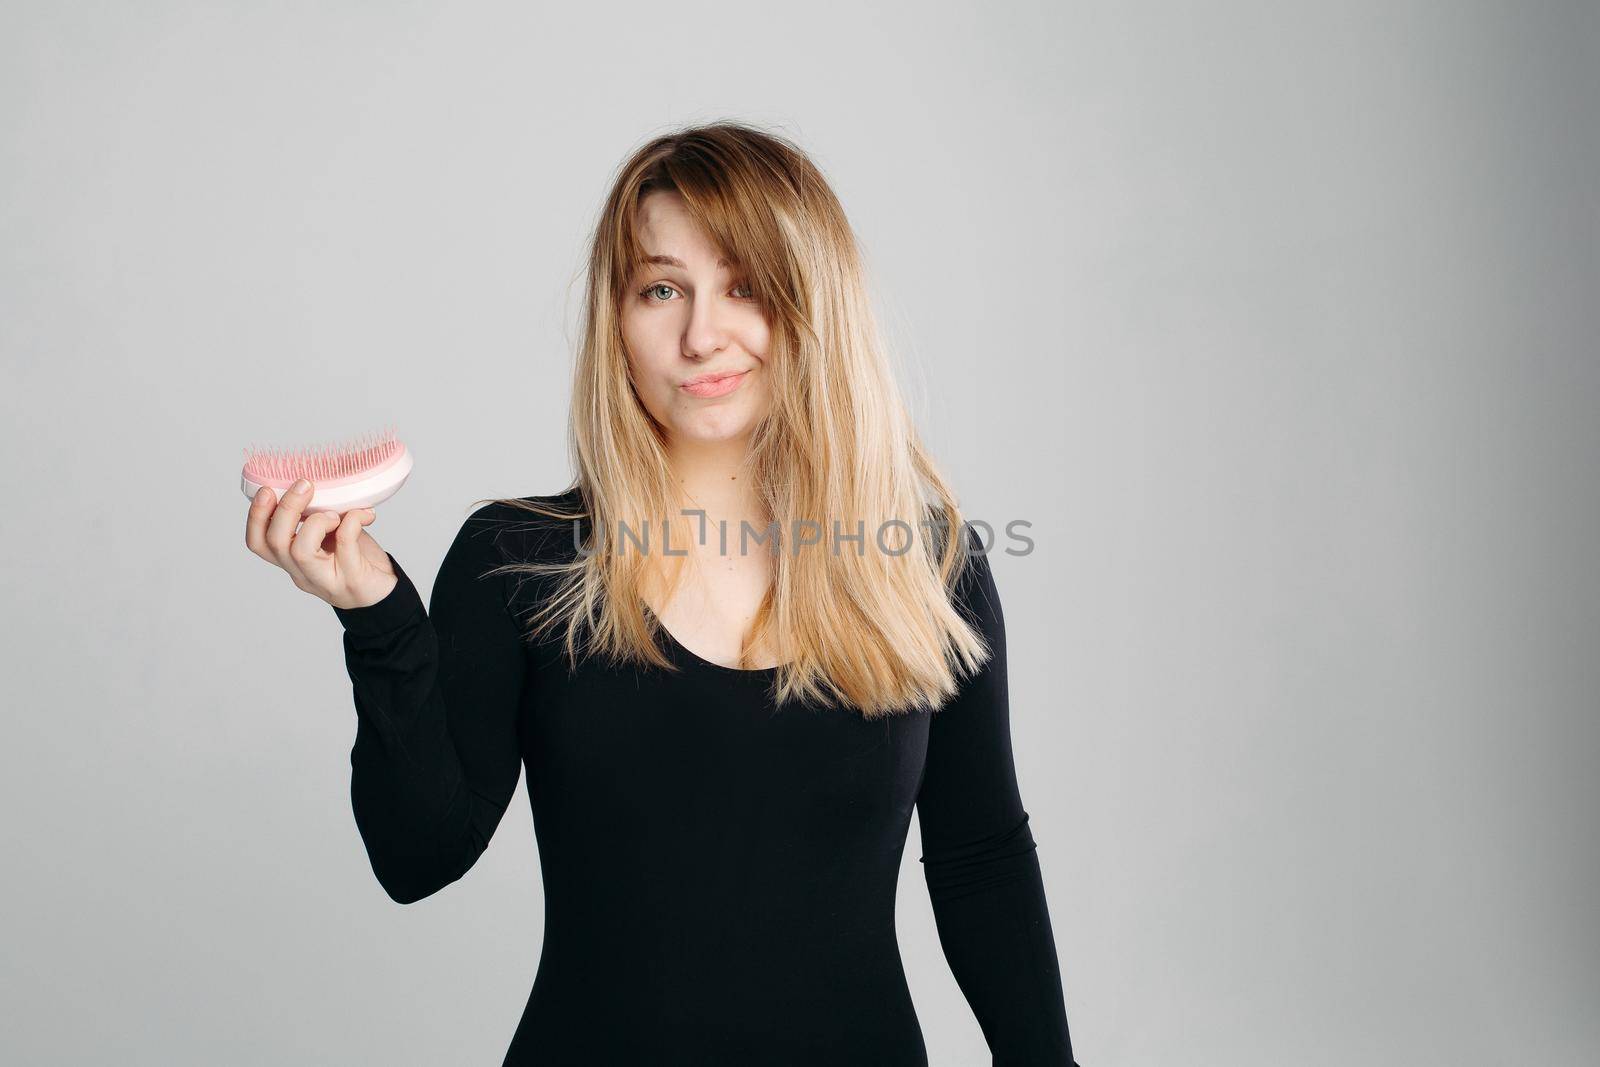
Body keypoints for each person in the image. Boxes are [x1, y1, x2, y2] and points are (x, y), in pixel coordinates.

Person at [245, 120, 1083, 1066]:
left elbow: (982, 868)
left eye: (745, 286)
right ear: (617, 318)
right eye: (662, 288)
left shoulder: (925, 568)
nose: (700, 334)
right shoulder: (520, 562)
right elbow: (416, 856)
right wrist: (378, 617)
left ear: (815, 307)